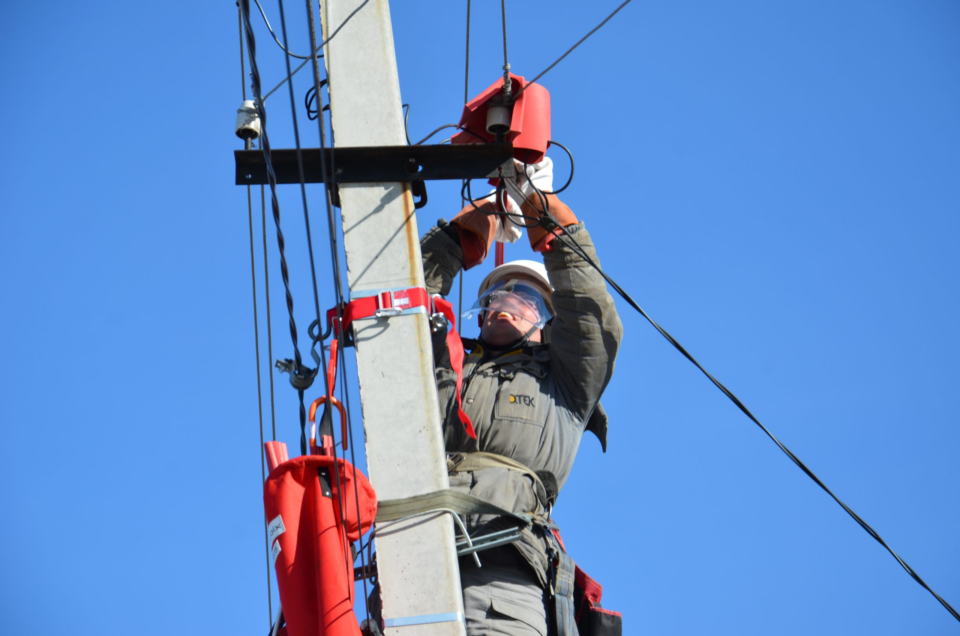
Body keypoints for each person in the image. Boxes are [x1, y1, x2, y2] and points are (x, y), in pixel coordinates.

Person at [419, 159, 623, 635]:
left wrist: (540, 210)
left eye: (525, 298)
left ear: (548, 323)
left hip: (504, 577)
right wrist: (461, 237)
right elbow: (399, 305)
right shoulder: (447, 368)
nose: (506, 301)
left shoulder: (566, 382)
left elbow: (592, 313)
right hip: (413, 559)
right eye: (497, 293)